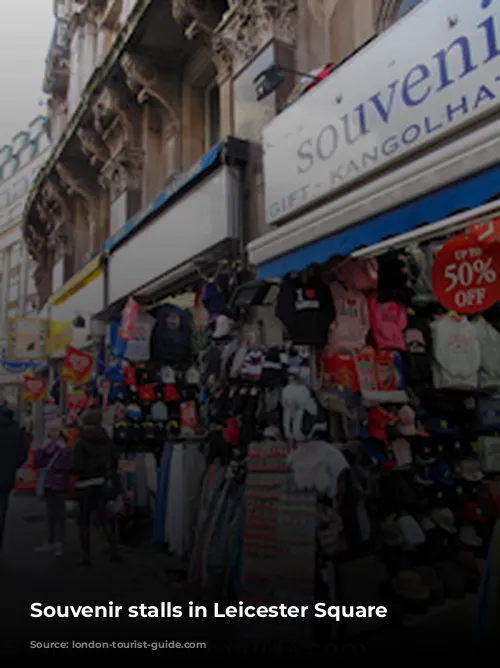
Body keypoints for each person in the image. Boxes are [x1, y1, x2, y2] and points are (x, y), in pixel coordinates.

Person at [72, 408, 121, 566]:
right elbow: (114, 462)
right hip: (102, 481)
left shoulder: (81, 442)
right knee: (103, 517)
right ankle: (114, 550)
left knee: (84, 520)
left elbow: (77, 465)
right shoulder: (107, 441)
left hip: (85, 483)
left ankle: (86, 556)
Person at [34, 419, 73, 557]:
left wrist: (62, 451)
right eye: (51, 430)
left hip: (59, 483)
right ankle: (52, 540)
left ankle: (59, 542)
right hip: (49, 483)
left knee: (59, 514)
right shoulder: (49, 445)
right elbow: (38, 463)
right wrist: (41, 450)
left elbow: (68, 464)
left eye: (55, 430)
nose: (53, 433)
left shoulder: (65, 446)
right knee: (51, 514)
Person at [0, 400, 29, 550]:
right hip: (5, 477)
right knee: (2, 511)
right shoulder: (16, 430)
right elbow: (23, 453)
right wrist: (12, 465)